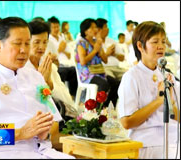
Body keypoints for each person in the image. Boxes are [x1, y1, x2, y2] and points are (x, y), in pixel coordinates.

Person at [0, 17, 75, 159]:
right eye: (17, 44)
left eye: (27, 43)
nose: (24, 50)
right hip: (4, 153)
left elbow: (52, 118)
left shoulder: (36, 77)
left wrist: (45, 131)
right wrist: (20, 133)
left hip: (43, 151)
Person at [118, 21, 180, 159]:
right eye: (155, 42)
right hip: (147, 142)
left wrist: (171, 103)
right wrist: (159, 101)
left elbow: (178, 117)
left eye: (163, 42)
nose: (161, 46)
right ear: (140, 46)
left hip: (174, 138)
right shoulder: (131, 77)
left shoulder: (168, 76)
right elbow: (127, 122)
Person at [76, 18, 118, 107]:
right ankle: (95, 110)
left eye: (96, 27)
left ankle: (107, 107)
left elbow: (105, 60)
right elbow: (83, 62)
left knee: (116, 83)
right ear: (85, 31)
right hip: (87, 74)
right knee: (103, 84)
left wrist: (100, 49)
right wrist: (95, 50)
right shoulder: (81, 43)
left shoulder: (96, 42)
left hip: (99, 72)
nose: (95, 30)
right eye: (92, 28)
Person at [47, 16, 77, 98]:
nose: (56, 29)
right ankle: (61, 96)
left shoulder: (62, 37)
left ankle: (72, 95)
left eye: (57, 27)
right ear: (49, 28)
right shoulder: (48, 40)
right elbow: (53, 55)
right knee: (61, 72)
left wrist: (62, 50)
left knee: (74, 71)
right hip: (58, 65)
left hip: (66, 63)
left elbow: (69, 54)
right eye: (54, 27)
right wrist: (60, 49)